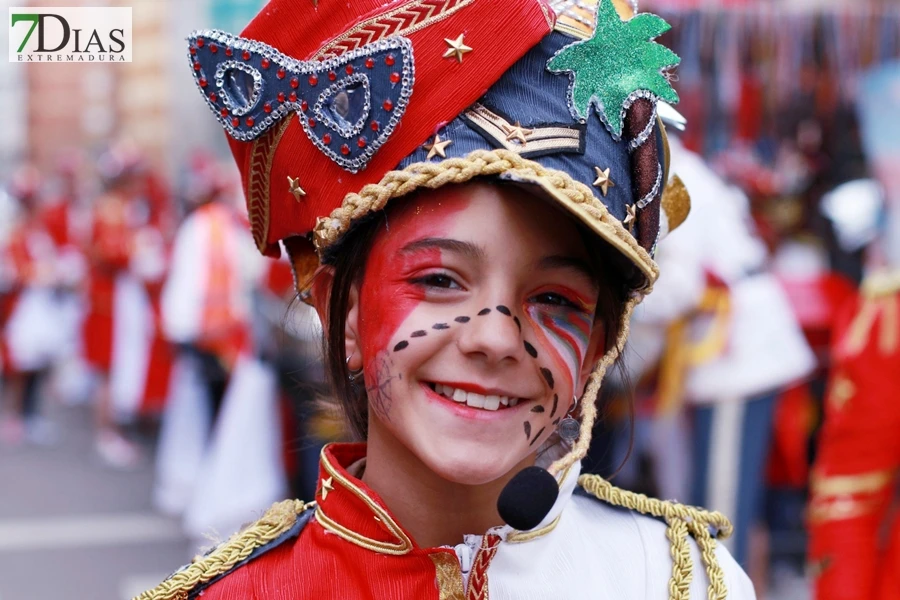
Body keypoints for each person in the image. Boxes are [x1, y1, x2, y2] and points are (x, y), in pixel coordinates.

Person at [138, 0, 754, 598]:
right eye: (439, 280)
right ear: (341, 311)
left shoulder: (680, 582)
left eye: (555, 299)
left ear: (598, 345)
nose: (493, 337)